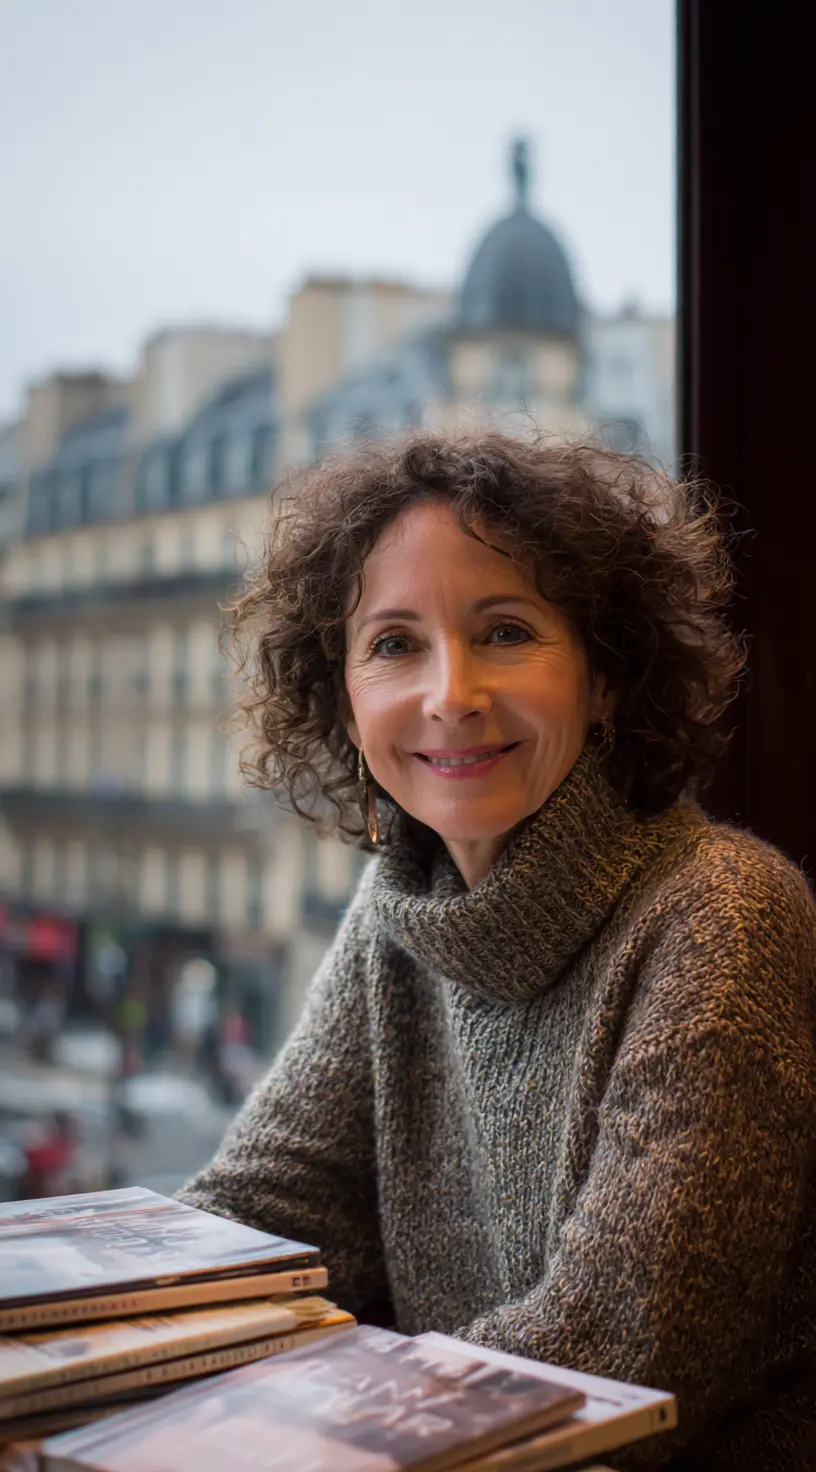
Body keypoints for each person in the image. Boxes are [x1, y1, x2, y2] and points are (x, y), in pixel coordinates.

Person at [177, 432, 816, 1470]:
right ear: (343, 695)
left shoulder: (722, 913)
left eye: (507, 631)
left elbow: (614, 1352)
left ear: (607, 675)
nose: (450, 693)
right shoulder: (401, 906)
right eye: (394, 644)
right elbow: (257, 1224)